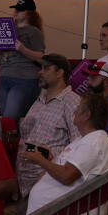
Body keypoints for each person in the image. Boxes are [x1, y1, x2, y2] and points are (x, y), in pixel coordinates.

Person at [23, 93, 108, 214]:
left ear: (87, 115)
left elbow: (66, 176)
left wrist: (40, 160)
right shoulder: (82, 139)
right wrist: (50, 160)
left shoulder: (95, 141)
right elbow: (66, 170)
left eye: (78, 108)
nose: (74, 111)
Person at [16, 54, 80, 204]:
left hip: (50, 183)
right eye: (40, 68)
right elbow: (25, 137)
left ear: (60, 73)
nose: (40, 72)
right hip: (24, 182)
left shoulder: (72, 102)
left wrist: (50, 170)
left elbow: (78, 145)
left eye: (46, 68)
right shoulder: (39, 100)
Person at [0, 0, 45, 121]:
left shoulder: (34, 32)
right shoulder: (9, 29)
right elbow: (1, 57)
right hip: (5, 76)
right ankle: (12, 140)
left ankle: (11, 139)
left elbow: (41, 57)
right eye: (16, 9)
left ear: (29, 13)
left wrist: (23, 49)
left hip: (24, 79)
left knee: (9, 117)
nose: (16, 12)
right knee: (7, 118)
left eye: (20, 10)